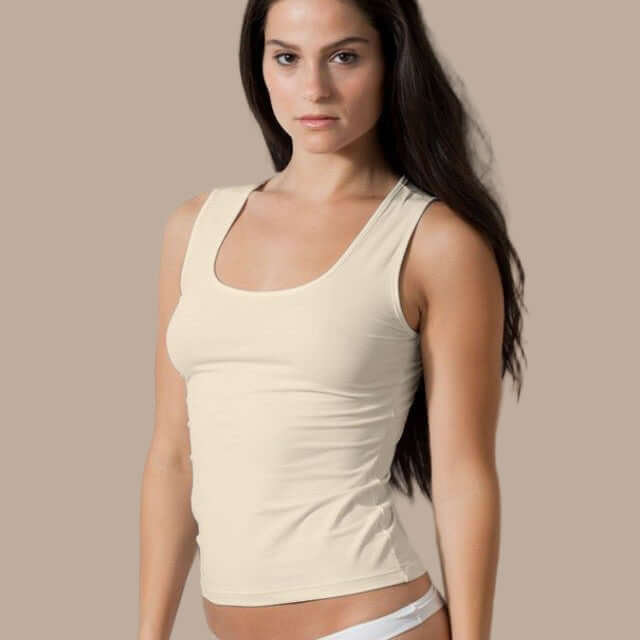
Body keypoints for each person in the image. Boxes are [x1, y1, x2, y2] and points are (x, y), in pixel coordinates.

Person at [138, 1, 527, 639]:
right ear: (260, 66)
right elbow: (172, 457)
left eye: (344, 56)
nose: (314, 88)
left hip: (371, 624)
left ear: (391, 61)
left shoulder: (434, 241)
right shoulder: (193, 227)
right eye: (287, 58)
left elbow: (463, 475)